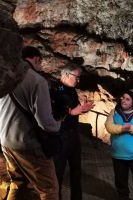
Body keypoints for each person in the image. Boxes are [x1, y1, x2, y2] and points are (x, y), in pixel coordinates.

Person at [0, 46, 61, 200]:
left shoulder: (5, 77)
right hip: (28, 145)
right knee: (49, 189)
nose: (39, 67)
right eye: (40, 63)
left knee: (18, 183)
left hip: (6, 142)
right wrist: (57, 124)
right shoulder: (37, 81)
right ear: (36, 59)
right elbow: (45, 122)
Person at [53, 64, 94, 200]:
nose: (78, 80)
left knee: (76, 172)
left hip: (73, 136)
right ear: (66, 75)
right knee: (58, 172)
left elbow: (74, 110)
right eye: (77, 77)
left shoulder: (72, 91)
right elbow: (53, 112)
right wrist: (72, 111)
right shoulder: (54, 90)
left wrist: (82, 109)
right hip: (60, 137)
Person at [105, 88, 133, 200]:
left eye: (127, 99)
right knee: (121, 183)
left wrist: (130, 128)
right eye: (123, 98)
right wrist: (121, 128)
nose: (123, 101)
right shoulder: (114, 112)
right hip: (118, 155)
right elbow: (109, 126)